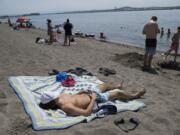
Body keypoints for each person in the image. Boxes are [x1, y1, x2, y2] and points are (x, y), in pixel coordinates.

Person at [39, 82, 146, 116]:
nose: (56, 95)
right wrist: (94, 99)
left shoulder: (60, 97)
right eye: (54, 96)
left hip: (89, 93)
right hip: (96, 98)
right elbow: (86, 113)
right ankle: (135, 96)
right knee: (118, 93)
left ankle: (115, 86)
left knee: (103, 85)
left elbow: (73, 97)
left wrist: (80, 92)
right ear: (52, 102)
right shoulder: (66, 106)